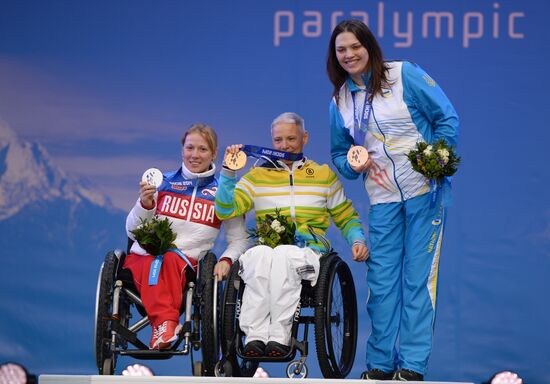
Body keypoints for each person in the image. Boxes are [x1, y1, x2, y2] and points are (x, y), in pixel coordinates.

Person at [326, 19, 459, 381]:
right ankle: (381, 366)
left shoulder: (404, 75)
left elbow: (446, 118)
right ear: (334, 56)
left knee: (418, 281)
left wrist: (439, 159)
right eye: (341, 50)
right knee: (382, 285)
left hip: (423, 194)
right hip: (382, 200)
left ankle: (412, 367)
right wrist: (355, 164)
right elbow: (341, 155)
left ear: (369, 46)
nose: (349, 55)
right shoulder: (339, 101)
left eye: (355, 47)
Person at [214, 112, 369, 358]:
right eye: (278, 140)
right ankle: (254, 336)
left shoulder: (323, 175)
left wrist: (357, 240)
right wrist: (229, 173)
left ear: (305, 138)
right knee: (259, 256)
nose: (284, 145)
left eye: (291, 138)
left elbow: (345, 216)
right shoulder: (256, 176)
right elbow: (226, 209)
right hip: (269, 250)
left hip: (310, 254)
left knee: (285, 254)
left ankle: (280, 336)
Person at [124, 123, 249, 349]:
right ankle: (165, 325)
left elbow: (240, 239)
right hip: (143, 259)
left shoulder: (225, 192)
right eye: (190, 148)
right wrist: (145, 204)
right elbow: (133, 231)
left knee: (171, 259)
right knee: (156, 259)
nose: (195, 155)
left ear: (214, 153)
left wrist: (226, 259)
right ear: (182, 150)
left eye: (202, 149)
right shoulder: (162, 182)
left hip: (185, 266)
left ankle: (164, 326)